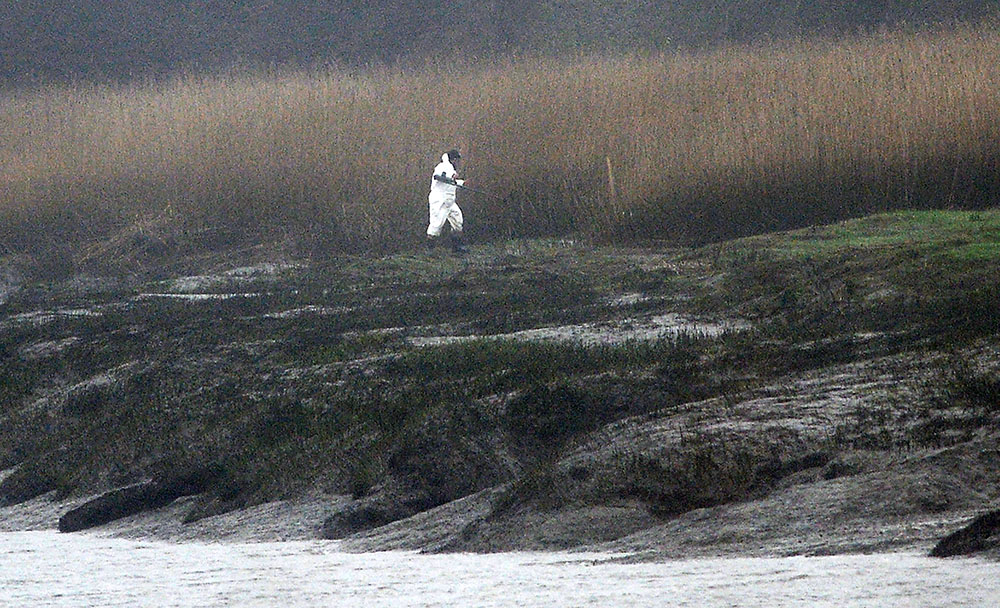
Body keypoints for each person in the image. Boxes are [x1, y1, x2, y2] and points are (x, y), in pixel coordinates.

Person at [426, 149, 469, 254]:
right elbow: (438, 177)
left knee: (457, 221)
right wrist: (450, 178)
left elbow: (451, 184)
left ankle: (456, 248)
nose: (458, 163)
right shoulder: (442, 166)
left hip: (450, 201)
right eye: (457, 160)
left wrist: (462, 183)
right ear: (453, 159)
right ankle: (430, 250)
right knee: (436, 224)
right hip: (439, 200)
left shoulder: (451, 169)